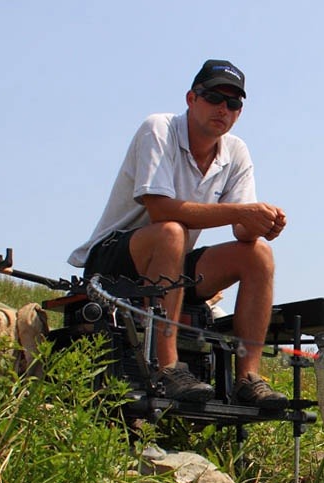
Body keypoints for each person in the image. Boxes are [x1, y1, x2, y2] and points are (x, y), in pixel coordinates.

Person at [68, 59, 287, 407]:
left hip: (172, 264)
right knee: (172, 231)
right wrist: (243, 212)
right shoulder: (159, 129)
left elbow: (242, 229)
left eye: (233, 103)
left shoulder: (236, 152)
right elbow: (160, 208)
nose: (223, 109)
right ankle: (167, 367)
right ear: (191, 98)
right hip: (112, 263)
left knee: (259, 254)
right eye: (215, 97)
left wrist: (263, 223)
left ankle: (249, 376)